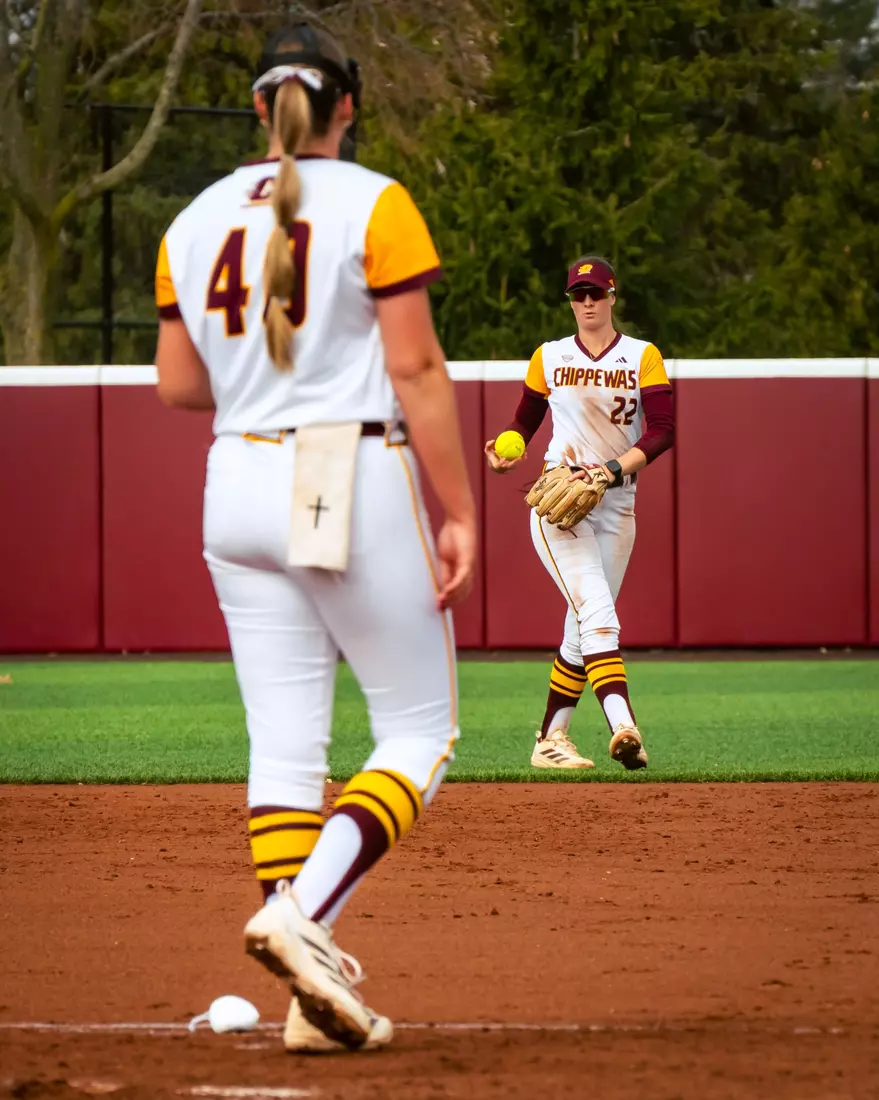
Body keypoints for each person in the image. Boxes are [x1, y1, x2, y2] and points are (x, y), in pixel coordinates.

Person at [153, 23, 476, 1054]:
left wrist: (261, 373)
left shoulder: (193, 217)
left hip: (233, 477)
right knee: (420, 729)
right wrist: (459, 507)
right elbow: (418, 369)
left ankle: (308, 985)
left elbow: (176, 385)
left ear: (259, 108)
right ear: (349, 106)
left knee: (286, 743)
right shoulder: (374, 201)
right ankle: (299, 920)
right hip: (340, 468)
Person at [484, 257, 674, 771]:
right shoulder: (549, 355)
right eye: (578, 294)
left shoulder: (642, 356)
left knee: (581, 623)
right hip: (560, 502)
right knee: (599, 615)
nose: (587, 302)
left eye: (595, 293)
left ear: (613, 296)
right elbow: (524, 422)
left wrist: (611, 470)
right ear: (570, 301)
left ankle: (551, 739)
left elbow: (662, 431)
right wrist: (509, 451)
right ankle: (624, 726)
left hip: (617, 503)